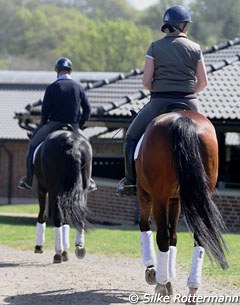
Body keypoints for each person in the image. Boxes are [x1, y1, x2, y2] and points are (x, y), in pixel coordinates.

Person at [117, 5, 208, 196]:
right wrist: (189, 91)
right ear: (182, 25)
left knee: (131, 137)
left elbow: (146, 82)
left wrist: (160, 89)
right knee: (207, 137)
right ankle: (207, 182)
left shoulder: (154, 47)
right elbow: (203, 82)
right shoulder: (195, 48)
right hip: (189, 100)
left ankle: (130, 182)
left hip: (159, 101)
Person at [18, 57, 97, 192]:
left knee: (32, 146)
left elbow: (45, 111)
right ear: (70, 71)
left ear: (57, 71)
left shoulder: (52, 87)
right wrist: (80, 124)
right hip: (74, 125)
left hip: (53, 124)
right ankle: (88, 181)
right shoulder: (79, 87)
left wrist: (43, 125)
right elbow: (88, 109)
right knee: (87, 147)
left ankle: (29, 179)